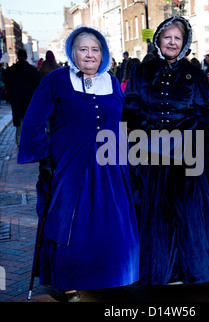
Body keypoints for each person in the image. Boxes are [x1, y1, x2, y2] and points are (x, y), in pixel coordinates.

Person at [17, 26, 139, 301]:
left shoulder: (111, 81)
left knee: (112, 222)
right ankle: (69, 283)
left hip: (111, 166)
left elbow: (123, 122)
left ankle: (112, 276)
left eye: (95, 49)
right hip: (70, 165)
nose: (89, 54)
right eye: (83, 49)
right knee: (70, 223)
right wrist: (45, 158)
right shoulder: (57, 80)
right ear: (72, 51)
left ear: (103, 54)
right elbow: (34, 120)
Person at [122, 16, 209, 285]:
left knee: (188, 214)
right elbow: (129, 109)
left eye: (177, 38)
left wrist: (208, 155)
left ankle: (190, 271)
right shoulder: (141, 72)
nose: (172, 42)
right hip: (152, 154)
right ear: (158, 41)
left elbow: (204, 116)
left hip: (189, 154)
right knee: (158, 214)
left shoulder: (196, 76)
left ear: (184, 43)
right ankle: (162, 271)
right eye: (167, 37)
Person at [5, 49, 40, 147]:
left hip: (16, 98)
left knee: (18, 122)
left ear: (17, 57)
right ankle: (28, 141)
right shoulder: (32, 70)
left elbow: (7, 84)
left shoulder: (11, 70)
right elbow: (38, 84)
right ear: (26, 57)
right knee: (28, 120)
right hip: (29, 99)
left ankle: (19, 141)